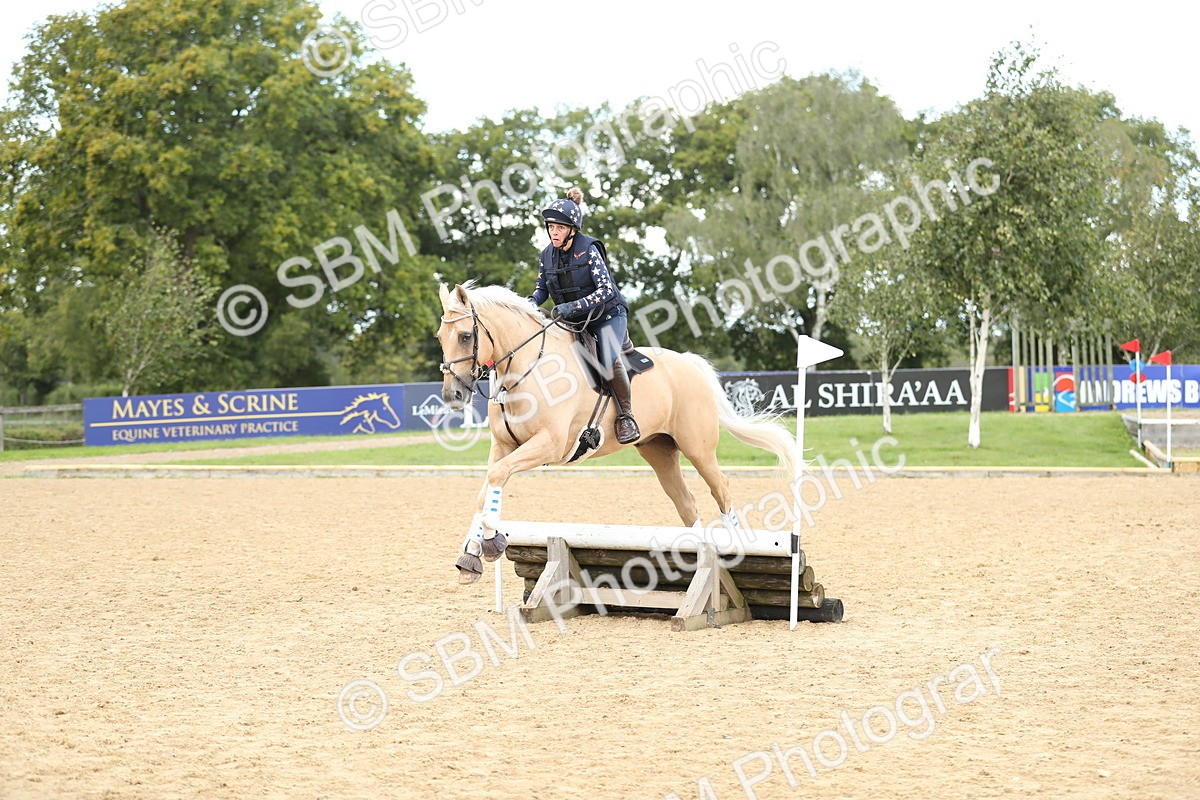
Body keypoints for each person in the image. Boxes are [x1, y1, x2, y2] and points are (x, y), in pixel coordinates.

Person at [528, 187, 640, 444]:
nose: (553, 233)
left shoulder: (589, 248)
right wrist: (531, 302)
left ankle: (626, 416)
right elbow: (541, 288)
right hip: (574, 321)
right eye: (550, 227)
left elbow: (606, 290)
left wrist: (572, 306)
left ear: (572, 230)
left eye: (558, 228)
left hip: (608, 315)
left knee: (608, 359)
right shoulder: (547, 255)